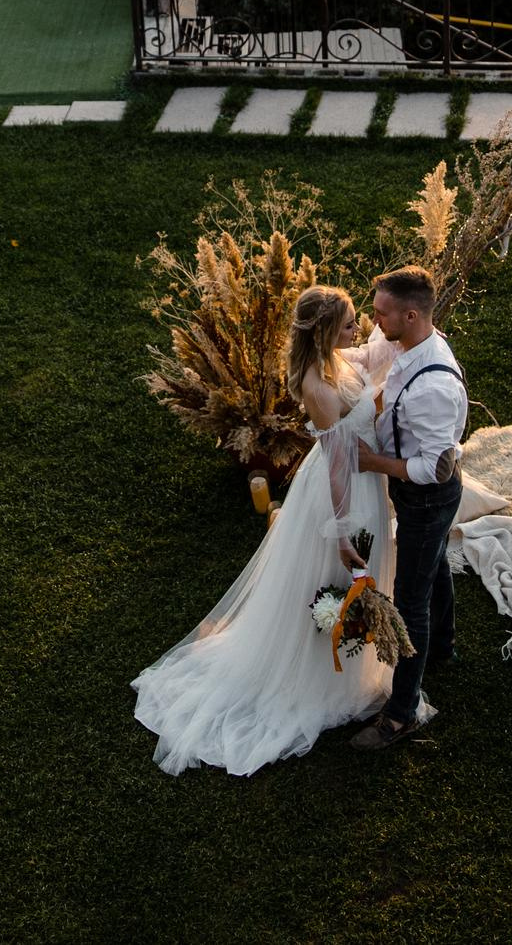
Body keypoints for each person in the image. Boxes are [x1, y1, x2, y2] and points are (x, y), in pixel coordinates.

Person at [132, 284, 402, 775]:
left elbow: (371, 355)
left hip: (363, 478)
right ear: (323, 333)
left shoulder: (335, 362)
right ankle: (319, 677)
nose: (356, 329)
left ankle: (347, 667)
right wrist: (340, 532)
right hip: (344, 491)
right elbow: (340, 463)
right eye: (347, 323)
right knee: (337, 579)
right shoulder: (318, 387)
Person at [351, 265, 468, 752]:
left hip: (428, 498)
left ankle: (401, 714)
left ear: (412, 315)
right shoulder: (403, 343)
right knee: (434, 564)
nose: (373, 322)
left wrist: (371, 462)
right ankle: (443, 648)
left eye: (381, 314)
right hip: (417, 498)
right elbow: (366, 353)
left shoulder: (434, 387)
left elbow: (433, 469)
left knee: (410, 598)